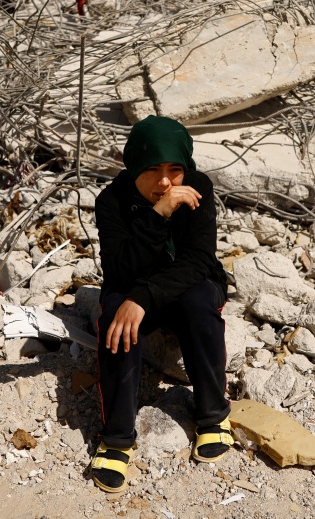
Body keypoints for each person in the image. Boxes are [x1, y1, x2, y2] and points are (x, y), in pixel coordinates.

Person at [91, 115, 232, 493]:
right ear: (134, 166)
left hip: (185, 284)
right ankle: (117, 438)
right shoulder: (111, 202)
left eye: (175, 170)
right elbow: (120, 269)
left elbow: (198, 261)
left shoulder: (199, 187)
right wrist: (158, 214)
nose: (167, 182)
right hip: (131, 281)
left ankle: (213, 416)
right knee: (116, 323)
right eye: (153, 170)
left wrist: (143, 298)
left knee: (199, 301)